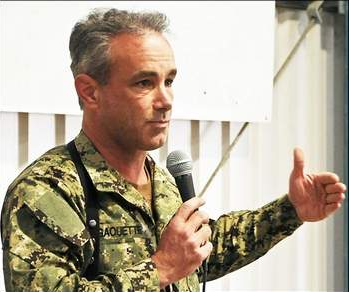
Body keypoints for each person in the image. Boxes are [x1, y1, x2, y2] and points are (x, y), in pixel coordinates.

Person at [1, 8, 346, 292]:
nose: (166, 100)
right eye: (144, 83)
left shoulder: (161, 178)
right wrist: (162, 267)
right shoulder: (46, 192)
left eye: (169, 81)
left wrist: (291, 211)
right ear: (90, 92)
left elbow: (208, 249)